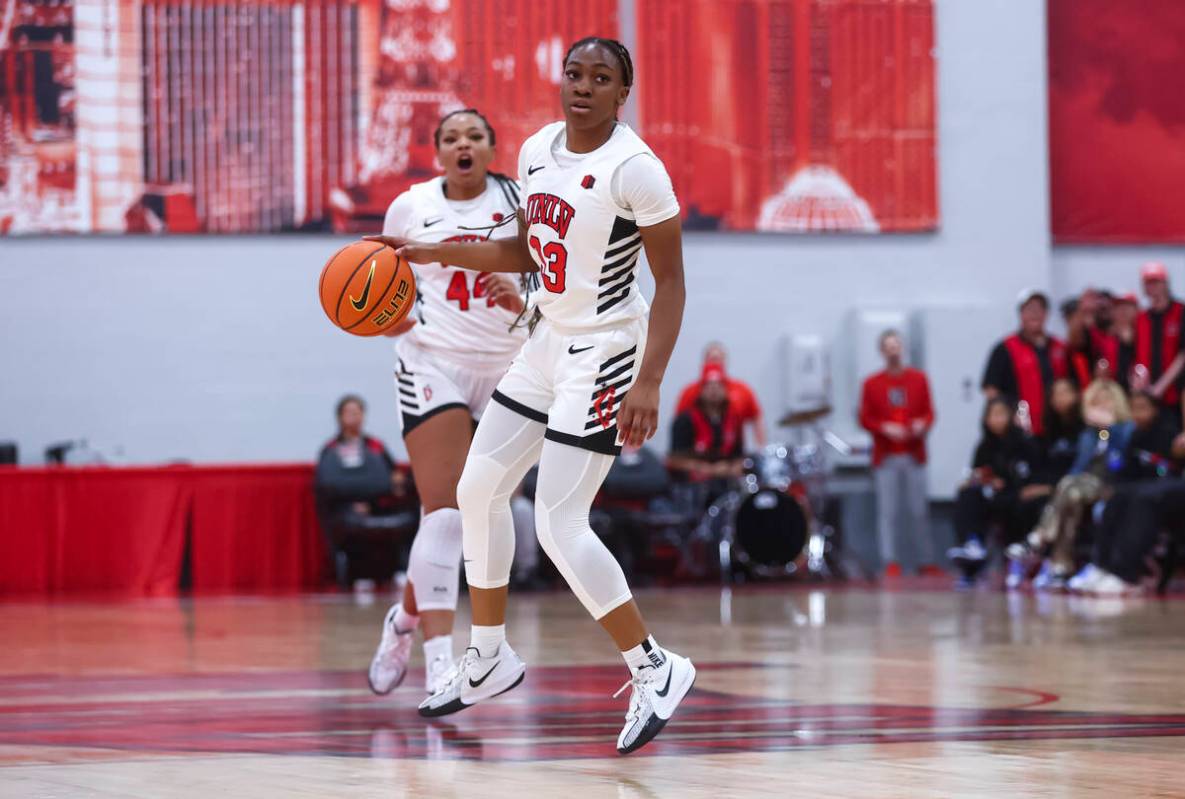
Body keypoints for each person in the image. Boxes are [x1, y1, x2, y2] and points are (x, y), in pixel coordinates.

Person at [366, 37, 694, 755]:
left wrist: (649, 379)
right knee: (478, 487)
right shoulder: (542, 149)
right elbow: (522, 250)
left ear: (621, 92)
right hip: (546, 340)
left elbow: (669, 282)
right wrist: (436, 250)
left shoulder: (635, 168)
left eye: (599, 78)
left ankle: (654, 665)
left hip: (606, 350)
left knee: (558, 523)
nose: (582, 86)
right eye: (574, 73)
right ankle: (488, 655)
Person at [365, 109, 527, 700]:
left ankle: (403, 619)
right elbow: (387, 281)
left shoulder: (521, 196)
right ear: (438, 152)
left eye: (474, 136)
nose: (463, 144)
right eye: (451, 137)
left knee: (479, 511)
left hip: (509, 362)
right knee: (446, 512)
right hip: (433, 360)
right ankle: (440, 662)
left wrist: (519, 296)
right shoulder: (410, 206)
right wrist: (385, 315)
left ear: (490, 148)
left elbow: (550, 274)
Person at [1007, 380, 1134, 589]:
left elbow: (1119, 464)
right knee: (1071, 496)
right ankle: (1060, 564)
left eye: (1105, 402)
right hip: (1081, 488)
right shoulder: (1089, 435)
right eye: (1095, 403)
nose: (1100, 408)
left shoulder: (1126, 429)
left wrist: (1110, 429)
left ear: (1117, 403)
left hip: (1112, 486)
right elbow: (1078, 468)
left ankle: (1038, 538)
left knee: (1069, 487)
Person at [857, 330, 939, 578]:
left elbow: (929, 412)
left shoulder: (919, 379)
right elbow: (865, 417)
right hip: (887, 455)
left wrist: (921, 425)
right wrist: (884, 427)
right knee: (888, 511)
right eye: (888, 347)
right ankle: (890, 560)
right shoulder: (871, 384)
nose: (893, 351)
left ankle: (925, 559)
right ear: (882, 351)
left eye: (897, 346)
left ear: (902, 349)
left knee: (918, 510)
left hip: (913, 453)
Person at [946, 398, 1046, 585]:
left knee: (1023, 505)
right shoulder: (984, 446)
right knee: (967, 495)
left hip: (1018, 496)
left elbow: (1032, 477)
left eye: (1001, 414)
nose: (997, 419)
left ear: (1010, 416)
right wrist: (982, 481)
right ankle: (972, 544)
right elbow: (978, 472)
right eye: (992, 415)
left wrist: (1011, 484)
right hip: (992, 497)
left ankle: (1020, 557)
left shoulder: (1025, 443)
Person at [982, 289, 1070, 436]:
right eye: (1030, 309)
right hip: (1017, 429)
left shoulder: (1059, 347)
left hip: (1055, 428)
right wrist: (1005, 415)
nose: (1035, 314)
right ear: (1021, 314)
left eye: (1039, 309)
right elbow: (991, 389)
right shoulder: (1005, 348)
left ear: (1046, 314)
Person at [667, 362, 747, 504]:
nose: (714, 390)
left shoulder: (734, 419)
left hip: (727, 484)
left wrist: (733, 468)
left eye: (718, 385)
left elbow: (739, 457)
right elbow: (674, 461)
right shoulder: (685, 420)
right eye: (709, 386)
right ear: (701, 390)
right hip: (694, 488)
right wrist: (710, 470)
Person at [674, 342, 766, 448]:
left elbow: (756, 416)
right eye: (712, 359)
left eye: (718, 359)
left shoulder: (742, 390)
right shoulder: (689, 391)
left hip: (729, 447)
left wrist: (760, 447)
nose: (715, 363)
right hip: (698, 450)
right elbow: (679, 422)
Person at [1134, 261, 1185, 429]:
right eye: (1148, 283)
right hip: (1147, 397)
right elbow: (1137, 354)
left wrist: (1161, 386)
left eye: (1156, 282)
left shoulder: (1180, 312)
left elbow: (1182, 354)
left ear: (1165, 283)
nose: (1152, 287)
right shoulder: (1142, 318)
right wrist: (1139, 380)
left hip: (1174, 395)